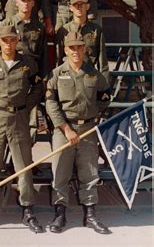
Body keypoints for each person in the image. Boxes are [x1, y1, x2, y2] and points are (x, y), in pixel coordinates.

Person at [0, 25, 44, 233]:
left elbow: (38, 87)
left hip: (19, 116)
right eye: (5, 40)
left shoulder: (27, 64)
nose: (8, 43)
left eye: (12, 40)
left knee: (23, 165)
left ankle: (28, 210)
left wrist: (26, 105)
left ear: (17, 41)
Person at [45, 32, 111, 234]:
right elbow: (51, 104)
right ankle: (60, 214)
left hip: (87, 130)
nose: (76, 51)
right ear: (65, 50)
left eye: (79, 47)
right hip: (64, 130)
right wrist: (66, 128)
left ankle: (90, 215)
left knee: (89, 173)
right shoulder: (56, 74)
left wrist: (91, 117)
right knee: (60, 173)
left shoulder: (94, 74)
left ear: (84, 49)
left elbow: (104, 97)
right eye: (71, 47)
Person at [0, 0, 49, 142]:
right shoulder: (7, 23)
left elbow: (43, 55)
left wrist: (44, 78)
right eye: (22, 0)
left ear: (33, 3)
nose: (26, 4)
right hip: (11, 76)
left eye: (29, 0)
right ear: (16, 2)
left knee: (31, 120)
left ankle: (26, 160)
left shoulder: (39, 27)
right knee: (9, 119)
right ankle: (10, 159)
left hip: (31, 76)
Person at [56, 0, 108, 80]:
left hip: (88, 76)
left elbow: (102, 62)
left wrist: (104, 85)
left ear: (87, 6)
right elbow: (58, 59)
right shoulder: (63, 30)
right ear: (70, 7)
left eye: (82, 4)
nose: (79, 7)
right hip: (68, 77)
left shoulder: (96, 30)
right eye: (76, 5)